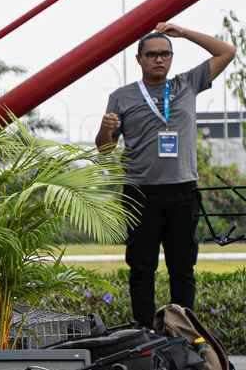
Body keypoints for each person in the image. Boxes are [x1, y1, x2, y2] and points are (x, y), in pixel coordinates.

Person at [96, 22, 236, 327]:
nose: (159, 59)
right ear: (139, 59)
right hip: (140, 193)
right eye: (151, 55)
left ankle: (184, 333)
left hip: (182, 190)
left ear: (171, 57)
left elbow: (227, 51)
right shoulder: (122, 97)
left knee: (182, 268)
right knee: (141, 269)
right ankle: (145, 333)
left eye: (165, 54)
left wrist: (184, 33)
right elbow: (104, 150)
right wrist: (106, 129)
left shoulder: (188, 84)